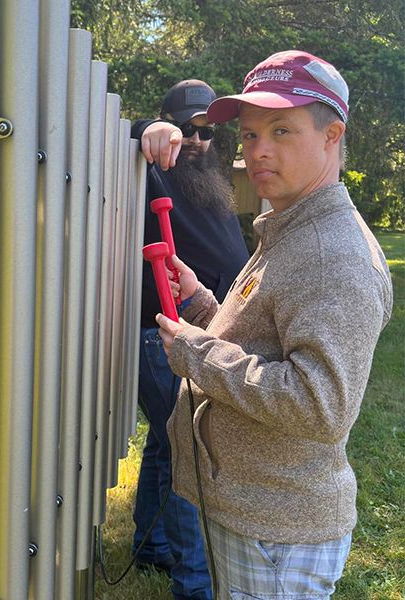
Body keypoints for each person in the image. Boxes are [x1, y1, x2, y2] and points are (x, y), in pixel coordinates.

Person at [153, 51, 393, 599]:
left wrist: (196, 353)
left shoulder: (333, 256)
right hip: (250, 511)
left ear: (332, 135)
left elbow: (319, 404)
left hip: (277, 536)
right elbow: (266, 343)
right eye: (249, 134)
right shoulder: (290, 227)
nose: (258, 150)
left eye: (281, 130)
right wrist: (201, 307)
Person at [131, 80, 250, 600]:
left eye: (207, 131)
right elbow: (126, 138)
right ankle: (196, 584)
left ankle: (150, 545)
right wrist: (147, 131)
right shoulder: (153, 168)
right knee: (191, 455)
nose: (199, 141)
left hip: (203, 324)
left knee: (166, 442)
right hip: (164, 332)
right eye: (187, 129)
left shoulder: (205, 176)